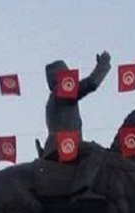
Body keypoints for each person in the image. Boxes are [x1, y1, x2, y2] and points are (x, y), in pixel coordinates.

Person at [39, 52, 111, 196]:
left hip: (61, 144)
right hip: (62, 145)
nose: (72, 79)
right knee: (96, 151)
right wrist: (103, 64)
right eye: (67, 74)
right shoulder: (61, 92)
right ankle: (82, 189)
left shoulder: (56, 97)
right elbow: (91, 83)